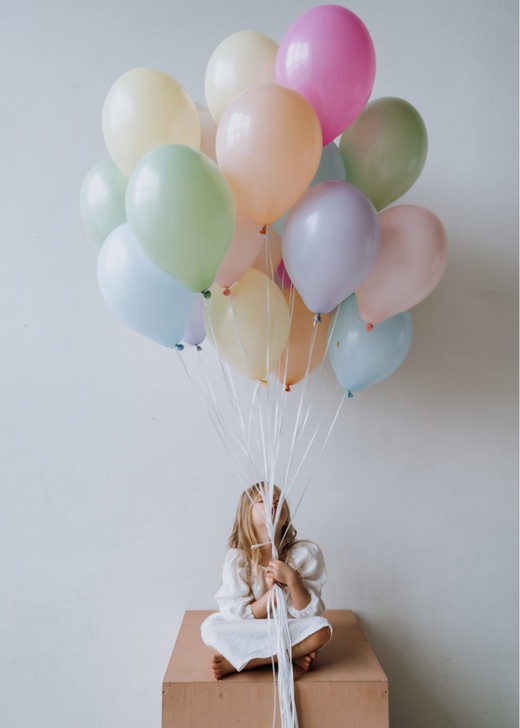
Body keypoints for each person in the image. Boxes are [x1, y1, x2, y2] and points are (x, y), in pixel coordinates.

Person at [201, 483, 332, 680]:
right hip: (253, 630)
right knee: (210, 627)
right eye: (263, 500)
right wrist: (273, 595)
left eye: (278, 499)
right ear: (246, 515)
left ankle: (246, 662)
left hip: (288, 627)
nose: (274, 502)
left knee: (322, 629)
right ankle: (289, 654)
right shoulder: (238, 560)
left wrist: (291, 579)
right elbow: (239, 617)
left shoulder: (304, 554)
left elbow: (307, 613)